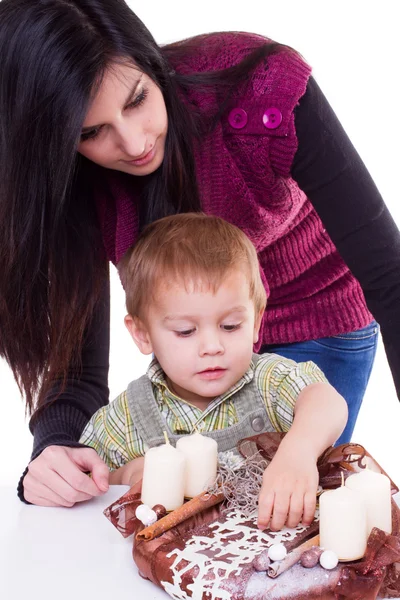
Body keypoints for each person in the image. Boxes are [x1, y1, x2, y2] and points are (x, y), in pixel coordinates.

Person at [0, 0, 398, 508]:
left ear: (148, 60)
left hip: (316, 320)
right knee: (188, 505)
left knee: (287, 504)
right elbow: (78, 365)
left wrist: (299, 449)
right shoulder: (66, 181)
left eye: (137, 99)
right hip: (185, 341)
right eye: (91, 132)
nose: (135, 141)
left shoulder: (257, 95)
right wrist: (54, 453)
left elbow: (389, 274)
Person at [80, 213, 348, 530]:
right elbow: (87, 485)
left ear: (256, 321)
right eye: (185, 331)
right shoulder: (124, 418)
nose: (212, 346)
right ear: (142, 334)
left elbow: (326, 401)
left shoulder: (269, 381)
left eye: (230, 326)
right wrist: (127, 475)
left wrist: (298, 452)